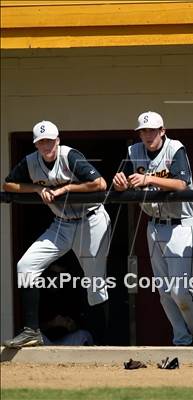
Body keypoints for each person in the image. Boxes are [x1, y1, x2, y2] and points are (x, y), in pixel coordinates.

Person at [3, 120, 111, 348]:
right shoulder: (31, 162)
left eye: (49, 141)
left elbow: (100, 183)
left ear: (58, 140)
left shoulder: (69, 156)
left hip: (91, 220)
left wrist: (66, 188)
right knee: (26, 265)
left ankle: (103, 344)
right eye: (41, 142)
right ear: (36, 145)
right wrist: (37, 188)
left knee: (95, 284)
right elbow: (9, 185)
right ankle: (31, 331)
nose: (46, 146)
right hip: (61, 222)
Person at [113, 111, 193, 346]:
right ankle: (182, 338)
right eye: (143, 131)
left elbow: (181, 183)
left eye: (152, 130)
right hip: (153, 225)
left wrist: (149, 178)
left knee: (180, 292)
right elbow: (125, 184)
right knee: (164, 292)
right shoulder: (134, 151)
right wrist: (120, 184)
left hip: (180, 226)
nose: (147, 135)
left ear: (162, 131)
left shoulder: (175, 148)